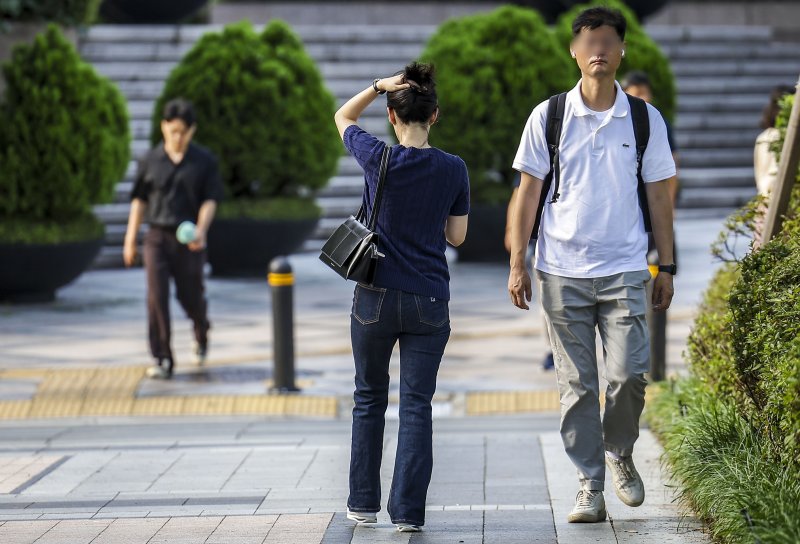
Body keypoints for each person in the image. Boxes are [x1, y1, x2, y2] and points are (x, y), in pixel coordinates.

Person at [507, 7, 676, 524]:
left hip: (626, 266)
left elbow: (660, 198)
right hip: (559, 270)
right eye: (589, 41)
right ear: (575, 52)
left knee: (628, 375)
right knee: (576, 384)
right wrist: (518, 259)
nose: (598, 49)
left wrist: (666, 265)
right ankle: (589, 484)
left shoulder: (644, 118)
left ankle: (619, 452)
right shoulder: (549, 115)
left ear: (622, 50)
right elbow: (527, 193)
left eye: (608, 40)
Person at [333, 62, 469, 533]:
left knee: (369, 397)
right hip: (429, 300)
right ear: (435, 116)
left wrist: (376, 86)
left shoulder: (377, 157)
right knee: (416, 404)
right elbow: (457, 237)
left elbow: (342, 118)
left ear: (393, 117)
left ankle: (362, 504)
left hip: (374, 296)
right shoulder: (454, 169)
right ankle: (408, 513)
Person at [123, 98, 224, 380]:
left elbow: (210, 199)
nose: (177, 137)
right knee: (156, 297)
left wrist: (202, 230)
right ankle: (163, 357)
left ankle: (201, 329)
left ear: (191, 131)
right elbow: (139, 201)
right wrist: (130, 239)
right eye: (172, 130)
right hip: (156, 236)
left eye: (182, 131)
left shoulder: (204, 161)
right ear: (163, 127)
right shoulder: (150, 160)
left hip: (190, 238)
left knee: (189, 294)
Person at [621, 70, 679, 381]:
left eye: (645, 92)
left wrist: (667, 212)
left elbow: (671, 168)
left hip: (652, 226)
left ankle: (648, 367)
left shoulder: (655, 121)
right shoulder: (617, 121)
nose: (641, 99)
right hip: (624, 230)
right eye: (635, 93)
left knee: (654, 285)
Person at [504, 180, 554, 371]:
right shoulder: (542, 148)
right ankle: (551, 349)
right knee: (546, 303)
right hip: (542, 240)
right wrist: (511, 230)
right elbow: (519, 192)